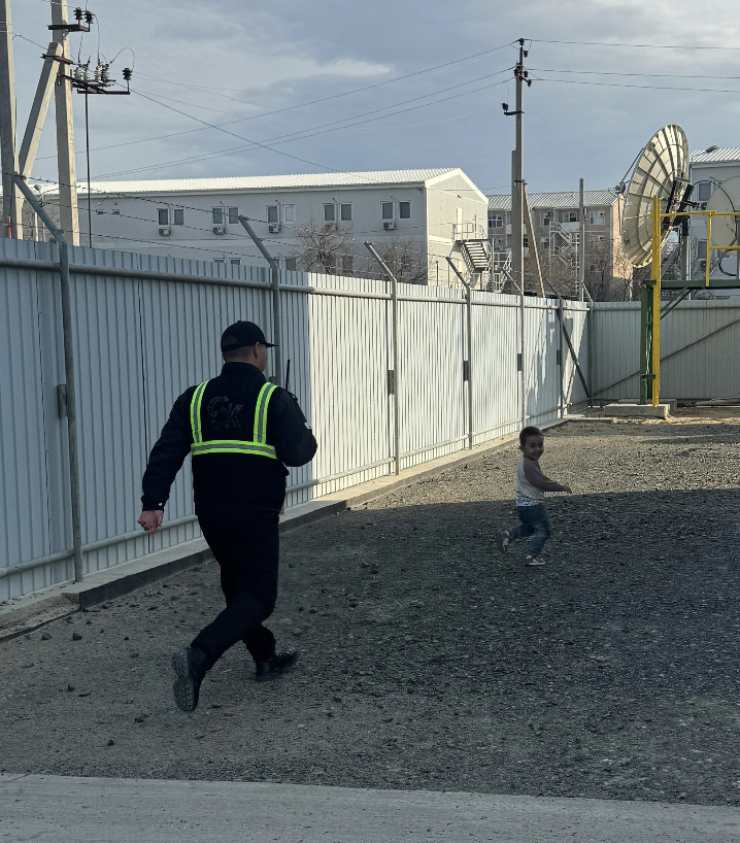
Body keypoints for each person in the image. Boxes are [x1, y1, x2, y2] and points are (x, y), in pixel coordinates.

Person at [138, 320, 317, 712]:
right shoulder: (272, 397)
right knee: (259, 597)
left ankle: (265, 656)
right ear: (257, 350)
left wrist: (154, 503)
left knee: (237, 588)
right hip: (255, 511)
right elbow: (300, 453)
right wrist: (295, 411)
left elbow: (166, 451)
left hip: (211, 513)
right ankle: (200, 655)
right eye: (264, 349)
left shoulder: (195, 397)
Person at [497, 426, 571, 566]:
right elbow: (542, 483)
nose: (537, 449)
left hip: (523, 505)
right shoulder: (529, 465)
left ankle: (508, 535)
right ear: (522, 448)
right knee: (545, 530)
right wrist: (561, 487)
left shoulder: (527, 462)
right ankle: (532, 556)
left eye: (540, 445)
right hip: (532, 506)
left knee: (530, 528)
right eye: (532, 446)